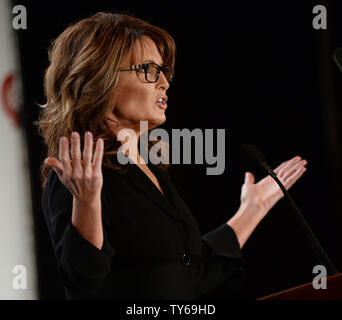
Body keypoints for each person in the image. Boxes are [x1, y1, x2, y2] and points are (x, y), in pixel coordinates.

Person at [35, 12, 307, 300]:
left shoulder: (148, 169)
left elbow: (185, 274)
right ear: (102, 78)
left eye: (164, 71)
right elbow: (82, 281)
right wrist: (87, 202)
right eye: (149, 70)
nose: (164, 82)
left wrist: (253, 209)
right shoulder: (75, 177)